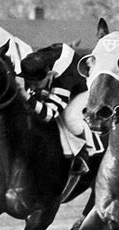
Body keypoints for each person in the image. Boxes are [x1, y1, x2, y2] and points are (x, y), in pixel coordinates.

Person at [16, 43, 90, 175]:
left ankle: (82, 153)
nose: (32, 87)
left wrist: (27, 96)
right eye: (29, 82)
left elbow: (50, 114)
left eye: (36, 83)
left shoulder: (63, 78)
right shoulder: (36, 60)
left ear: (50, 74)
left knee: (68, 117)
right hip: (64, 75)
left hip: (83, 90)